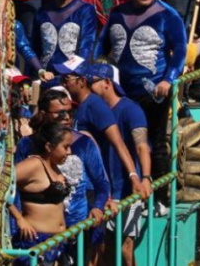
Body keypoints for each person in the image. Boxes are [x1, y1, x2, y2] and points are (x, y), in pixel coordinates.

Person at [98, 0, 187, 185]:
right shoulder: (117, 13)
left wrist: (168, 79)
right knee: (121, 141)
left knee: (154, 143)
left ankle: (162, 198)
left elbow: (181, 50)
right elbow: (101, 47)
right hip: (121, 92)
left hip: (153, 90)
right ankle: (127, 191)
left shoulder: (168, 15)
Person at [15, 89, 112, 266]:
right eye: (60, 113)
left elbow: (102, 182)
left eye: (70, 111)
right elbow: (9, 187)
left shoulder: (84, 142)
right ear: (43, 114)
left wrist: (98, 206)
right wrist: (17, 223)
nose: (67, 117)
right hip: (38, 237)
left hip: (77, 231)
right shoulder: (27, 146)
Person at [86, 63, 151, 266]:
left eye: (92, 83)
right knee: (100, 247)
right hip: (103, 191)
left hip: (127, 190)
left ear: (107, 83)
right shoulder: (92, 110)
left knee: (126, 246)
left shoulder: (130, 109)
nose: (88, 87)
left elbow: (142, 146)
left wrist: (145, 178)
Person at [57, 57, 144, 200]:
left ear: (82, 81)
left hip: (109, 191)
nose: (63, 83)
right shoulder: (79, 107)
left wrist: (134, 177)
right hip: (92, 186)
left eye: (66, 78)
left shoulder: (95, 105)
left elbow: (118, 143)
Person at [9, 117, 74, 266]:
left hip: (57, 242)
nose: (69, 152)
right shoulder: (33, 165)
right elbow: (0, 183)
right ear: (49, 147)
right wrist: (19, 219)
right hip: (36, 242)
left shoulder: (55, 166)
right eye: (65, 147)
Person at [34, 0, 99, 73]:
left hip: (73, 78)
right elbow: (35, 48)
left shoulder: (85, 10)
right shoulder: (42, 12)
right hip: (46, 78)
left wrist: (76, 75)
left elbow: (87, 47)